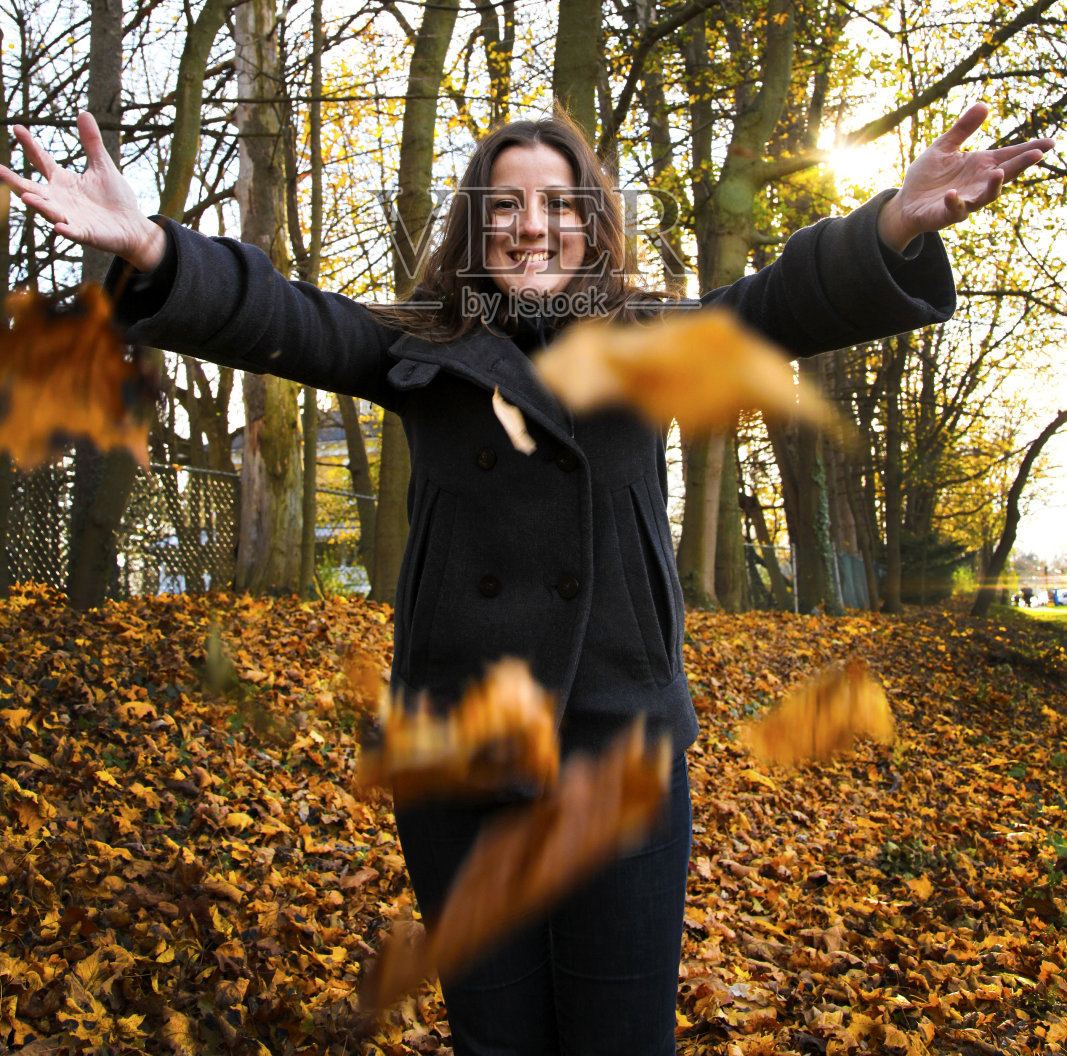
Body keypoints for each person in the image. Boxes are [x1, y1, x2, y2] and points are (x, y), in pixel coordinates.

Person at [0, 102, 1051, 1056]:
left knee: (617, 1033)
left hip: (620, 756)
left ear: (592, 229)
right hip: (459, 751)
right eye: (503, 205)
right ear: (473, 228)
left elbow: (778, 302)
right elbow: (281, 312)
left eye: (558, 204)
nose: (530, 224)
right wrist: (152, 248)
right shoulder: (415, 350)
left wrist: (889, 229)